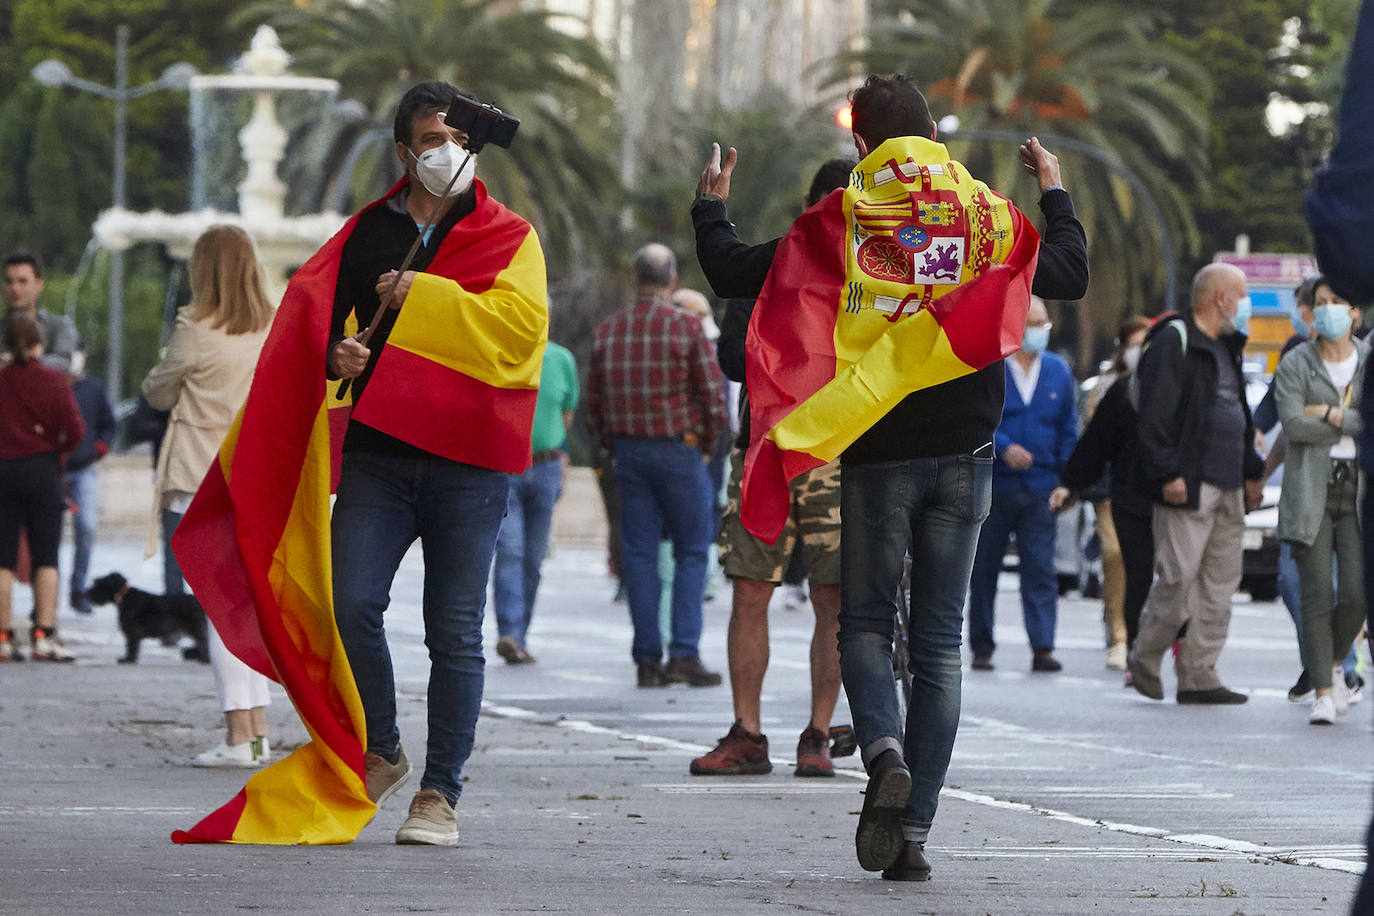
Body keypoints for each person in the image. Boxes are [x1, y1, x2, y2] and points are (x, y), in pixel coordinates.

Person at [725, 75, 1087, 880]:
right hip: (969, 454)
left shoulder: (848, 215)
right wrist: (1054, 189)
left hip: (879, 455)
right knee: (940, 645)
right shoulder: (989, 215)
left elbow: (733, 269)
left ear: (861, 143)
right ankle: (913, 833)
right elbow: (1068, 271)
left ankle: (882, 750)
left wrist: (711, 208)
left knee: (864, 623)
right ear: (934, 136)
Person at [325, 80, 548, 846]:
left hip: (470, 459)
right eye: (430, 141)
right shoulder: (367, 232)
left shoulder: (508, 235)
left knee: (453, 633)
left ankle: (439, 793)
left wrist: (425, 294)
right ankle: (383, 746)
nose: (446, 152)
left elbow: (521, 333)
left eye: (457, 140)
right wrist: (338, 353)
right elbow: (328, 328)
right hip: (379, 453)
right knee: (349, 601)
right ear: (404, 151)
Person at [688, 158, 854, 779]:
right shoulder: (775, 262)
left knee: (833, 598)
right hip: (764, 447)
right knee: (750, 588)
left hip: (837, 453)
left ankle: (818, 733)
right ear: (809, 210)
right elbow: (733, 355)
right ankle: (747, 731)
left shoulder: (874, 271)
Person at [142, 225, 276, 766]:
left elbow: (158, 391)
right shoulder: (272, 325)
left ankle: (239, 738)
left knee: (219, 611)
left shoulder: (195, 327)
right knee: (248, 609)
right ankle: (259, 733)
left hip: (199, 478)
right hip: (256, 478)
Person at [584, 243, 728, 689]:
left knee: (641, 555)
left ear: (635, 278)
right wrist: (708, 446)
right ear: (672, 281)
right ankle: (683, 652)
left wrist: (611, 444)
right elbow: (712, 397)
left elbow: (594, 402)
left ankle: (647, 659)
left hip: (629, 453)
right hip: (680, 451)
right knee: (691, 551)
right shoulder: (688, 328)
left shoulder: (609, 330)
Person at [1128, 263, 1265, 705]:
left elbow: (1238, 414)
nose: (1246, 305)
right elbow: (1154, 415)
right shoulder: (1175, 340)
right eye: (1242, 295)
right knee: (1178, 580)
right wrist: (1168, 472)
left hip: (1229, 484)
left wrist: (1252, 471)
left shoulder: (1227, 346)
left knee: (1219, 586)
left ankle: (1199, 674)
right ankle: (1145, 658)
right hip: (1188, 484)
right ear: (1222, 298)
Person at [967, 296, 1078, 673]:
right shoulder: (992, 366)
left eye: (1043, 324)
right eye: (1033, 323)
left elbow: (1068, 429)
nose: (1039, 331)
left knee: (1040, 568)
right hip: (995, 484)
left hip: (1041, 487)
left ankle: (1043, 646)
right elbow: (977, 419)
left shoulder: (1058, 371)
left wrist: (1067, 481)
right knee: (984, 568)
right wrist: (1003, 448)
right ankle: (982, 645)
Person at [1274, 282, 1367, 725]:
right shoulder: (1297, 362)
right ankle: (1325, 694)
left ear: (1355, 312)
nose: (1328, 310)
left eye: (1337, 303)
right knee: (1314, 593)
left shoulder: (1368, 361)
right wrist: (1352, 422)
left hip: (1359, 490)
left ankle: (1329, 662)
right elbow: (1293, 425)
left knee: (1356, 592)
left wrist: (1327, 413)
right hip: (1311, 487)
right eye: (1321, 304)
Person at [1050, 317, 1153, 677]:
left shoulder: (1165, 383)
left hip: (1153, 491)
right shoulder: (1111, 388)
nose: (1139, 351)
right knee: (1115, 553)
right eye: (1133, 344)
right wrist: (1071, 483)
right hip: (1111, 490)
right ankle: (1120, 635)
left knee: (1147, 565)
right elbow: (1095, 440)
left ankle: (1148, 634)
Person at [0, 312, 84, 661]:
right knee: (46, 556)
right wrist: (58, 448)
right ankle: (43, 636)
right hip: (43, 470)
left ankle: (3, 637)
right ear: (39, 343)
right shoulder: (54, 380)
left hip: (3, 471)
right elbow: (76, 429)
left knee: (2, 559)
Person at [491, 338, 578, 665]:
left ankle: (519, 637)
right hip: (507, 465)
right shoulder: (502, 349)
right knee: (510, 550)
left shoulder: (562, 358)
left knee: (534, 557)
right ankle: (510, 633)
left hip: (546, 466)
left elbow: (567, 413)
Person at [64, 341, 115, 616]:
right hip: (54, 469)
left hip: (84, 469)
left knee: (87, 528)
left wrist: (100, 447)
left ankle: (78, 587)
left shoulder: (93, 388)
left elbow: (108, 424)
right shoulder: (54, 385)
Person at [2, 252, 77, 373]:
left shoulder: (59, 325)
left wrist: (18, 361)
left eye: (22, 281)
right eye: (9, 281)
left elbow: (64, 362)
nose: (14, 288)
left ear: (39, 284)